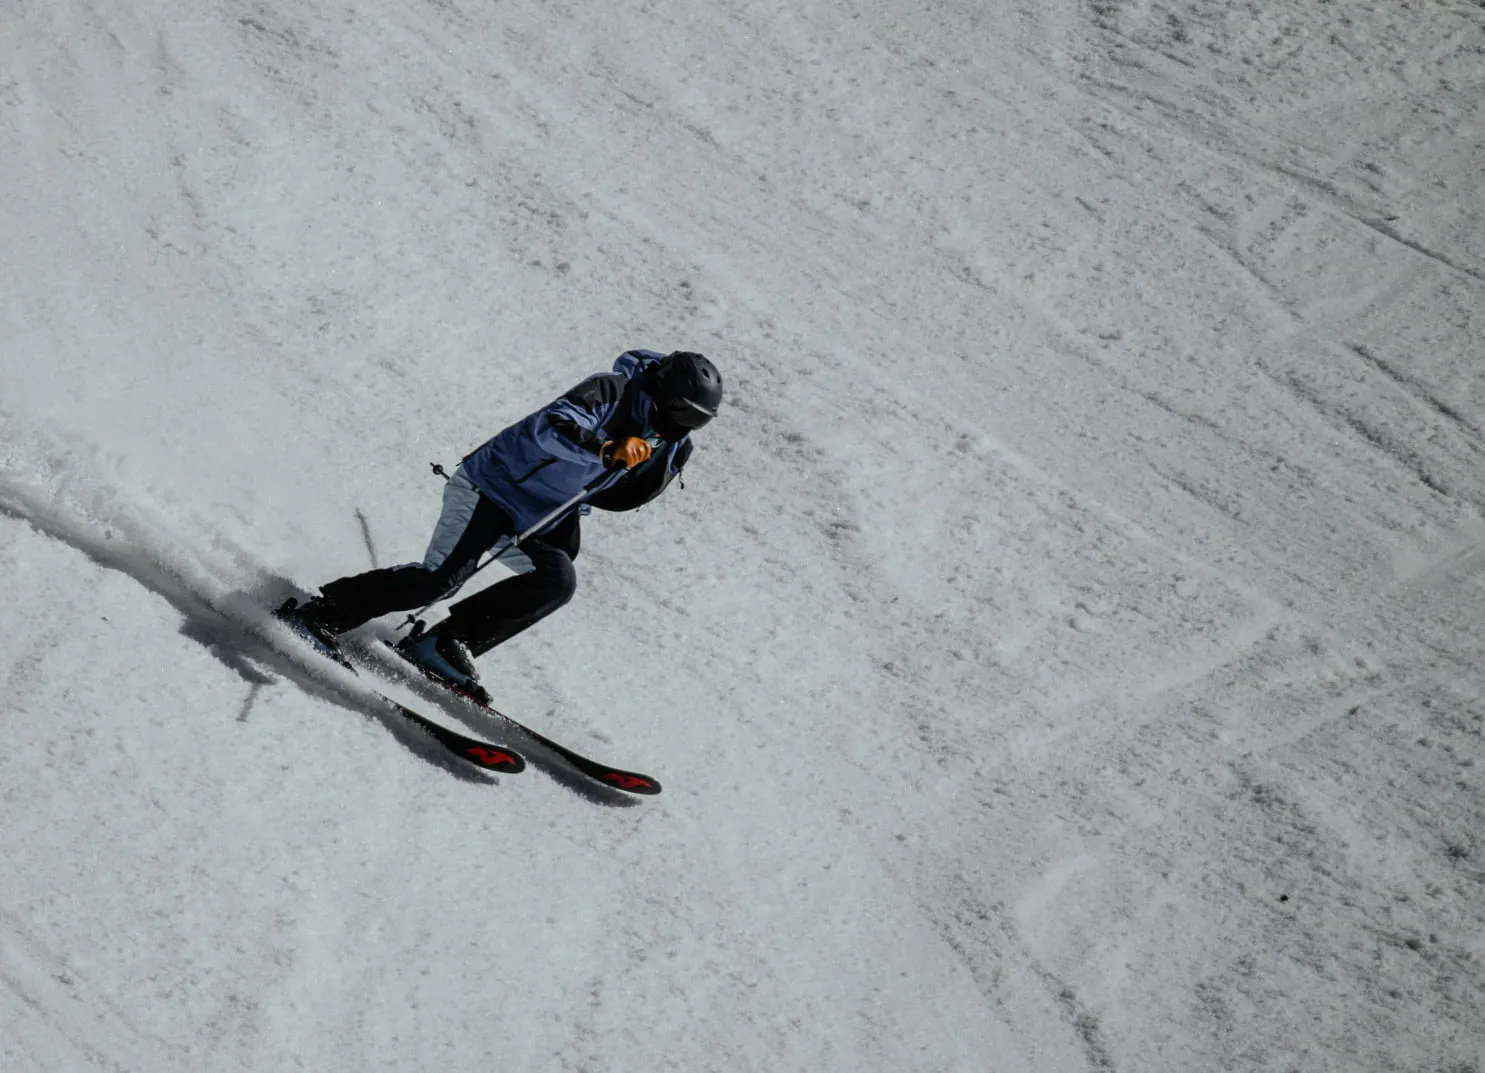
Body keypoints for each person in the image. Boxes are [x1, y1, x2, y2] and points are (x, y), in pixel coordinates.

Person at [278, 349, 722, 702]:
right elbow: (554, 426)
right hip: (493, 486)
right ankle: (323, 614)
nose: (684, 426)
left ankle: (445, 643)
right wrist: (606, 449)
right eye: (683, 414)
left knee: (556, 580)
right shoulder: (613, 390)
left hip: (543, 512)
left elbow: (618, 496)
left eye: (696, 422)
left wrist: (650, 461)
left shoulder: (671, 445)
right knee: (438, 580)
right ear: (663, 391)